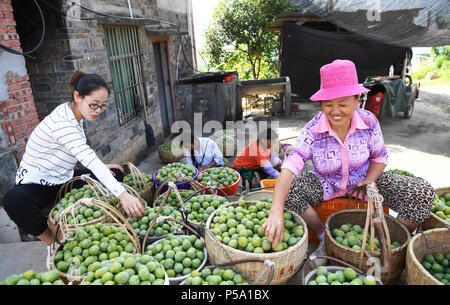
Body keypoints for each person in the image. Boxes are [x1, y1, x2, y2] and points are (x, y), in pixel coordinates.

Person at [262, 59, 435, 253]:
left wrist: (369, 182)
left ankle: (391, 242)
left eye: (343, 104)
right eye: (328, 104)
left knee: (422, 192)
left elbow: (380, 157)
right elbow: (290, 166)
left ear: (357, 99)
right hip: (325, 183)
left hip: (363, 181)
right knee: (287, 192)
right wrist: (275, 210)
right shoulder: (313, 129)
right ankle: (322, 237)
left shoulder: (369, 122)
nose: (335, 111)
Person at [2, 70, 145, 246]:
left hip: (63, 177)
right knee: (13, 201)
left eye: (103, 105)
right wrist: (123, 196)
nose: (98, 110)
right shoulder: (61, 122)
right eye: (94, 105)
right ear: (77, 96)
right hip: (39, 183)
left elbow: (76, 152)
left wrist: (102, 167)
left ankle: (98, 220)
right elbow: (87, 156)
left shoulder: (76, 114)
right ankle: (54, 242)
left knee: (115, 173)